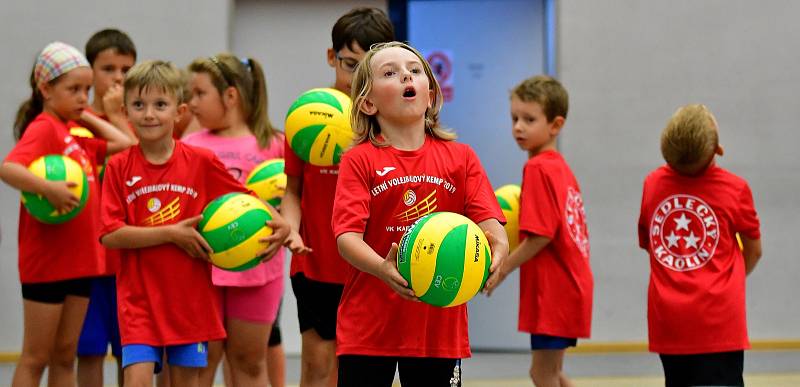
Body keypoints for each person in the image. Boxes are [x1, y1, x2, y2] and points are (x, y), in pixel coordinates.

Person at [99, 60, 289, 387]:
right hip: (138, 304)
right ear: (125, 112)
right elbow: (110, 234)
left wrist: (282, 225)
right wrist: (171, 234)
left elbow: (248, 199)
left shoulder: (201, 161)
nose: (149, 114)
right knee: (137, 381)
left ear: (179, 111)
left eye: (160, 104)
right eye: (139, 105)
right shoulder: (118, 166)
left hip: (191, 304)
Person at [331, 41, 508, 387]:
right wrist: (383, 268)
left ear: (429, 94)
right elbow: (347, 237)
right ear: (368, 102)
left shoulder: (461, 157)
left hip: (437, 329)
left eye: (414, 71)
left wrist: (497, 250)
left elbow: (491, 226)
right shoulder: (359, 160)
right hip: (369, 327)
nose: (405, 76)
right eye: (390, 73)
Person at [0, 41, 132, 386]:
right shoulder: (44, 128)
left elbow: (125, 145)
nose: (83, 97)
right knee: (35, 356)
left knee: (65, 355)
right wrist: (49, 189)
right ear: (45, 89)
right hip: (48, 265)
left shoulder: (73, 131)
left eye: (87, 90)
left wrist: (84, 113)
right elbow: (9, 169)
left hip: (80, 262)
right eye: (74, 89)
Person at [280, 7, 395, 386]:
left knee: (358, 372)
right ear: (331, 57)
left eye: (368, 68)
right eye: (348, 65)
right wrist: (290, 228)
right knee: (317, 367)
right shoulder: (307, 118)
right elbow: (293, 190)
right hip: (316, 264)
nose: (355, 79)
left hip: (372, 267)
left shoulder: (392, 123)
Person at [637, 104, 762, 387]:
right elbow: (754, 251)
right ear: (716, 148)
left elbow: (649, 244)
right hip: (719, 322)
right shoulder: (735, 188)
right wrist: (726, 282)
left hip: (669, 321)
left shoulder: (653, 183)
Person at [483, 75, 593, 387]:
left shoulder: (538, 168)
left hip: (555, 292)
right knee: (553, 373)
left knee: (541, 374)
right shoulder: (559, 166)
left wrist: (502, 268)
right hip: (571, 285)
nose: (518, 126)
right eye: (514, 118)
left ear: (555, 125)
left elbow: (542, 235)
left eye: (529, 119)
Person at [184, 53, 285, 386]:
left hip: (258, 272)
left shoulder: (274, 145)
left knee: (249, 363)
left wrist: (288, 226)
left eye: (200, 93)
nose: (191, 103)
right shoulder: (189, 145)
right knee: (201, 364)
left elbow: (293, 203)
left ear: (230, 96)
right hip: (201, 271)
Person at [76, 27, 139, 387]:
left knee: (131, 349)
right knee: (89, 351)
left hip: (129, 259)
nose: (118, 77)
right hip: (88, 260)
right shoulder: (77, 119)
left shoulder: (140, 119)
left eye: (126, 70)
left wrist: (118, 118)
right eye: (109, 68)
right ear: (90, 71)